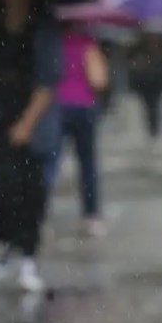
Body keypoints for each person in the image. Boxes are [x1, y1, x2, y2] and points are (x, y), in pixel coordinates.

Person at [0, 0, 61, 293]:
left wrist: (27, 123)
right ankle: (11, 242)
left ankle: (28, 255)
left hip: (34, 121)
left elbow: (47, 82)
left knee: (30, 191)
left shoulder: (42, 27)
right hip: (1, 115)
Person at [44, 21, 108, 238]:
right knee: (88, 164)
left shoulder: (50, 42)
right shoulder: (87, 42)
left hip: (56, 107)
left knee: (50, 162)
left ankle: (40, 214)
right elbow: (99, 80)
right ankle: (91, 216)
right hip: (84, 107)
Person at [127, 32, 162, 151]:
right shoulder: (139, 48)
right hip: (145, 82)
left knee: (154, 106)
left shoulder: (159, 48)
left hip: (155, 82)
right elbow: (130, 60)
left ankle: (154, 128)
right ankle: (152, 127)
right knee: (149, 106)